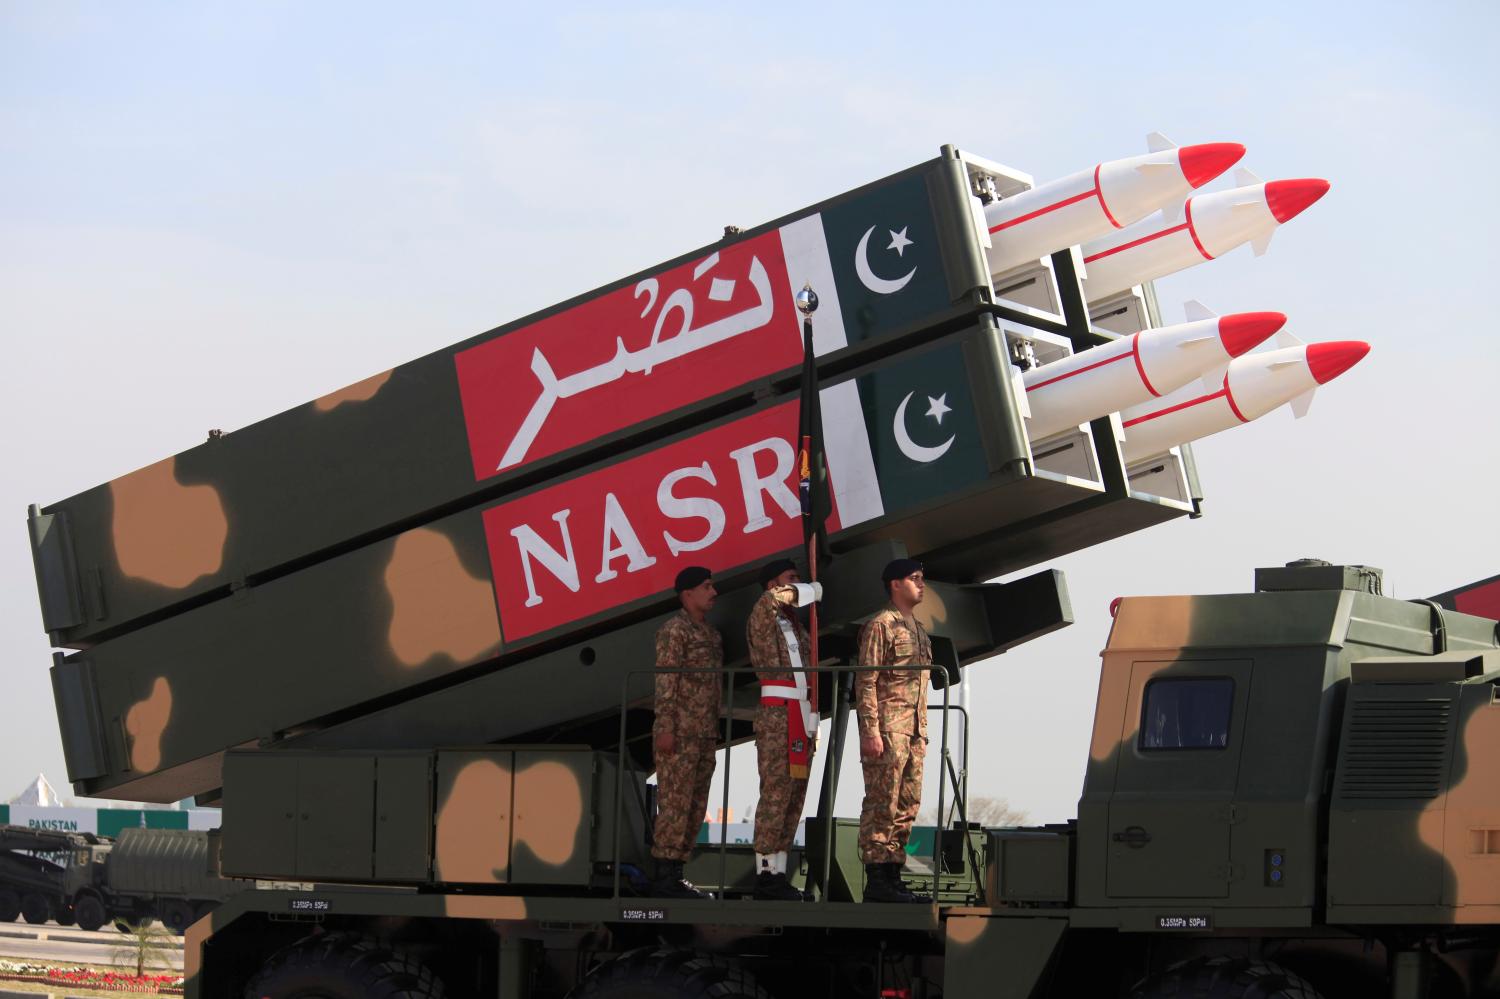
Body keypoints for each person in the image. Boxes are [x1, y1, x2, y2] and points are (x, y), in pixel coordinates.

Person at [854, 557, 933, 904]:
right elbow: (866, 680)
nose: (921, 584)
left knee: (907, 803)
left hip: (915, 731)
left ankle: (893, 874)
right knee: (881, 803)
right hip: (888, 730)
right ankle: (876, 879)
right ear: (895, 584)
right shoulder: (881, 626)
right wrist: (870, 730)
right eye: (914, 578)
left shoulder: (918, 628)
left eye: (922, 578)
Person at [746, 558, 823, 901]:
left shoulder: (796, 627)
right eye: (790, 579)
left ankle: (778, 870)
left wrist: (811, 717)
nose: (797, 583)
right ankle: (765, 873)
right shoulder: (764, 613)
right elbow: (775, 599)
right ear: (772, 584)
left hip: (800, 712)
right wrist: (810, 590)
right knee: (776, 791)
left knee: (795, 795)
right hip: (777, 715)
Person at [650, 565, 722, 899]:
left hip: (704, 734)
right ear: (687, 593)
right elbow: (667, 681)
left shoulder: (710, 634)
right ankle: (665, 873)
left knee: (695, 805)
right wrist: (665, 727)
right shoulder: (674, 631)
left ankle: (677, 871)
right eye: (707, 587)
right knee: (675, 804)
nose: (713, 592)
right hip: (679, 733)